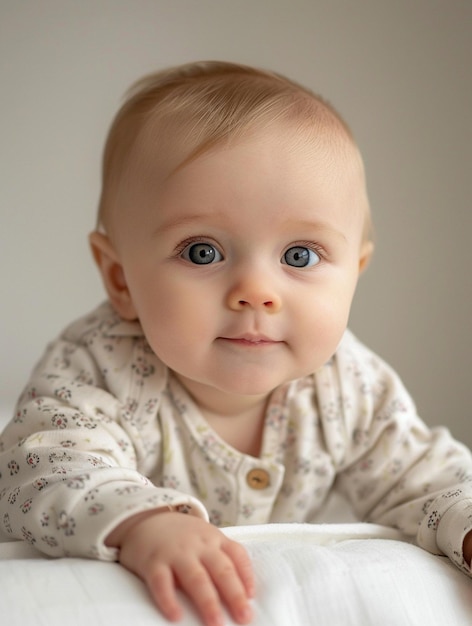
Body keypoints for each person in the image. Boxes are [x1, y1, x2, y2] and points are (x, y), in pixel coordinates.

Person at [1, 60, 472, 626]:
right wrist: (143, 522)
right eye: (203, 251)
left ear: (354, 271)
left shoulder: (348, 386)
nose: (256, 292)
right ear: (121, 278)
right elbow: (42, 466)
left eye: (300, 255)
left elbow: (425, 476)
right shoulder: (98, 366)